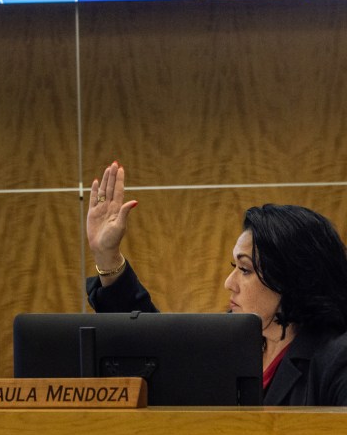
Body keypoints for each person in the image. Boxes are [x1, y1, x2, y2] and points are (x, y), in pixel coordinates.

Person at [87, 161, 347, 405]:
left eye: (245, 269)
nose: (229, 283)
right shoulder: (231, 345)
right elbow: (152, 349)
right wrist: (107, 257)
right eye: (234, 267)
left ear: (293, 277)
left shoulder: (336, 359)